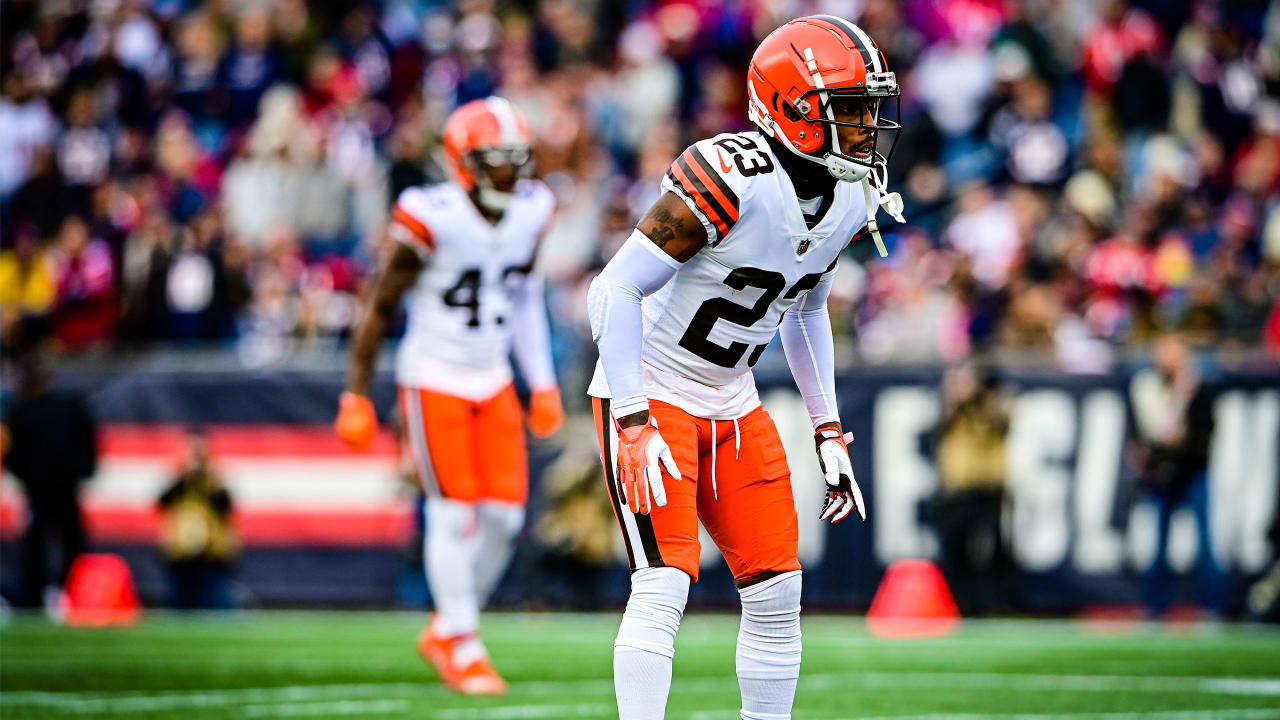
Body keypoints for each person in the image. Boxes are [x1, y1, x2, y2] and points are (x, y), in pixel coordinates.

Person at [586, 16, 902, 720]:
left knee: (776, 590)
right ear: (791, 110)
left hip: (731, 399)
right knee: (664, 582)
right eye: (848, 111)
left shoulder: (849, 195)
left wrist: (829, 430)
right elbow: (613, 288)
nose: (866, 128)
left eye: (869, 110)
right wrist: (633, 416)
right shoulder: (731, 176)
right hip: (654, 389)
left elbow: (807, 308)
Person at [335, 97, 563, 695]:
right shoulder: (428, 216)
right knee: (451, 510)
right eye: (497, 162)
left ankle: (449, 629)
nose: (511, 175)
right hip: (433, 373)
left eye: (518, 161)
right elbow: (380, 306)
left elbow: (523, 299)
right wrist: (355, 393)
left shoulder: (533, 209)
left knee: (505, 517)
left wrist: (539, 382)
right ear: (464, 164)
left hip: (491, 375)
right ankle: (463, 640)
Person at [1128, 332, 1222, 617]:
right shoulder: (1147, 387)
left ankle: (1212, 607)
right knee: (1157, 545)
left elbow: (1200, 436)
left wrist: (1183, 399)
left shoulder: (1200, 388)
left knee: (1205, 544)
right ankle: (1155, 607)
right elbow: (1157, 433)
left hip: (1193, 472)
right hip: (1163, 475)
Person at [1, 353, 96, 609]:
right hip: (62, 486)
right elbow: (88, 444)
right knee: (66, 542)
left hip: (40, 488)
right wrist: (83, 471)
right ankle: (70, 595)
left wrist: (26, 476)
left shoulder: (22, 410)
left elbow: (12, 455)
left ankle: (37, 599)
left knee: (39, 545)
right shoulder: (69, 406)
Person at [933, 364, 1010, 615]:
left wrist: (980, 395)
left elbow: (1000, 420)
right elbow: (942, 421)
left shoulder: (991, 408)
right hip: (955, 491)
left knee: (987, 553)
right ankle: (959, 605)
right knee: (955, 553)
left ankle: (990, 605)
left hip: (986, 491)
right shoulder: (953, 413)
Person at [156, 427, 237, 610]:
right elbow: (162, 502)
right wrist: (184, 477)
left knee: (218, 608)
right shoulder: (176, 477)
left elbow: (225, 505)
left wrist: (211, 478)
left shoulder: (215, 479)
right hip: (181, 552)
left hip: (212, 552)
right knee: (180, 609)